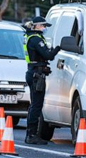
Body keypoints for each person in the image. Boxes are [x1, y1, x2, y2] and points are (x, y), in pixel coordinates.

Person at [24, 16, 61, 144]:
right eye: (43, 26)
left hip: (33, 72)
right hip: (36, 74)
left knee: (34, 104)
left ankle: (31, 134)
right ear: (37, 26)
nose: (45, 28)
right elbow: (48, 56)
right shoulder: (35, 39)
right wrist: (58, 48)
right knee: (36, 105)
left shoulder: (31, 37)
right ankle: (31, 135)